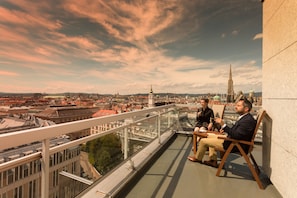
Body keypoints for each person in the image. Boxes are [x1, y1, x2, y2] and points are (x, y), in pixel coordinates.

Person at [187, 98, 256, 168]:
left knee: (203, 141)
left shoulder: (247, 121)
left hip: (233, 144)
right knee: (208, 135)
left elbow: (237, 135)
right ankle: (213, 160)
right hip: (232, 140)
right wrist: (225, 130)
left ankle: (198, 158)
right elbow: (237, 132)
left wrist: (223, 125)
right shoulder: (246, 118)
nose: (236, 107)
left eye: (238, 105)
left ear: (246, 109)